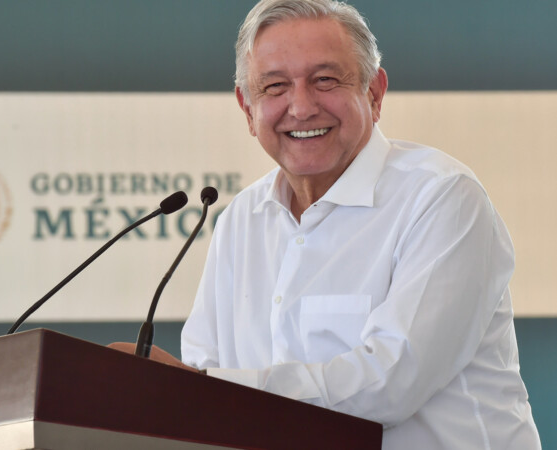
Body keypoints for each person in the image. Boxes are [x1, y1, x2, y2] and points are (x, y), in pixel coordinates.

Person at [111, 0, 541, 447]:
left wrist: (196, 387)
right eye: (274, 87)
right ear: (246, 108)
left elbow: (390, 383)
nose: (301, 107)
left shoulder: (442, 197)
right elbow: (205, 375)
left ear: (374, 93)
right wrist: (180, 391)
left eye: (325, 80)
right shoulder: (241, 218)